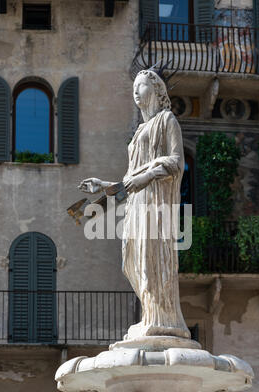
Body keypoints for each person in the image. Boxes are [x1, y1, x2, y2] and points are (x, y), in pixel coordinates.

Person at [79, 69, 190, 340]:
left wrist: (149, 175)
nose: (135, 92)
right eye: (133, 88)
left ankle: (163, 319)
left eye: (140, 86)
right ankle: (149, 316)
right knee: (133, 263)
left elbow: (176, 161)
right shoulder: (140, 129)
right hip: (137, 204)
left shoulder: (167, 120)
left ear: (156, 91)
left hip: (155, 202)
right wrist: (103, 186)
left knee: (152, 261)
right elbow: (129, 182)